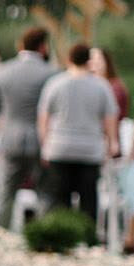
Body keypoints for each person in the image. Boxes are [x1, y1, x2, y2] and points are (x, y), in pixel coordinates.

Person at [38, 40, 118, 222]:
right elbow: (110, 119)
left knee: (59, 199)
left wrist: (45, 145)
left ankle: (62, 237)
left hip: (59, 148)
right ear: (88, 60)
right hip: (89, 149)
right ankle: (88, 239)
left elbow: (43, 118)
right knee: (88, 199)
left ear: (68, 58)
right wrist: (110, 143)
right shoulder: (101, 86)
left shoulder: (54, 84)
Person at [0, 26, 56, 227]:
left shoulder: (3, 72)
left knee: (6, 193)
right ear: (43, 47)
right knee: (45, 192)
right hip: (40, 141)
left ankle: (1, 233)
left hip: (10, 140)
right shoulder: (51, 73)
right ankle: (44, 234)